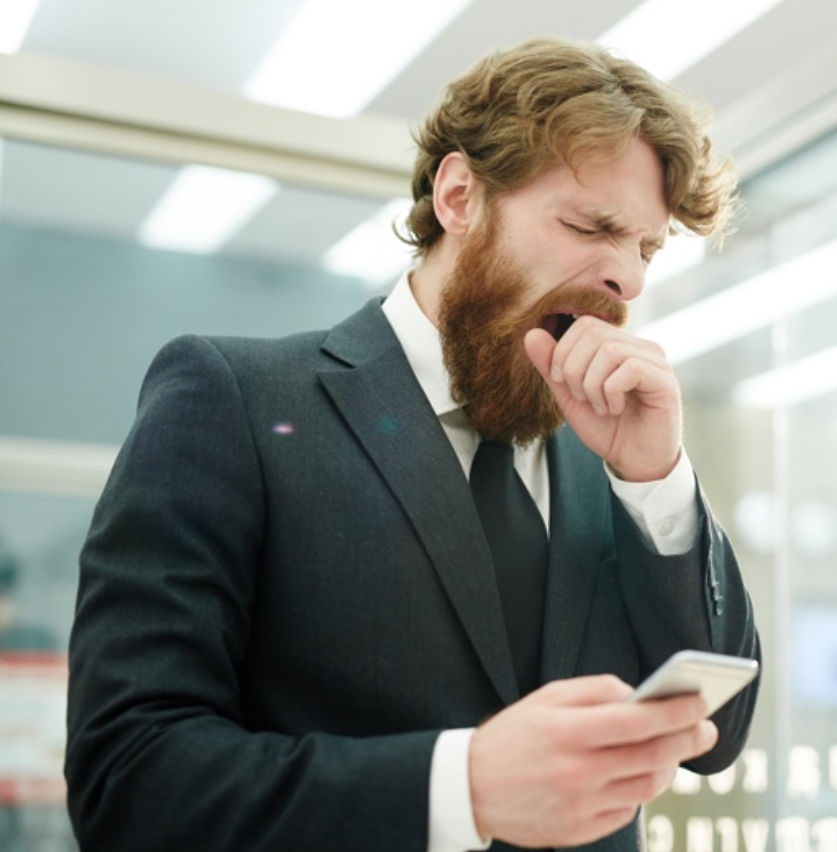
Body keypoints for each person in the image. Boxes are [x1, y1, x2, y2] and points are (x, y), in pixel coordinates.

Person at [65, 35, 760, 852]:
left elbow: (719, 735)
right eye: (590, 225)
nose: (630, 279)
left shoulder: (613, 455)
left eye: (645, 247)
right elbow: (130, 777)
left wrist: (657, 481)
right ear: (460, 196)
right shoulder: (236, 400)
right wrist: (465, 788)